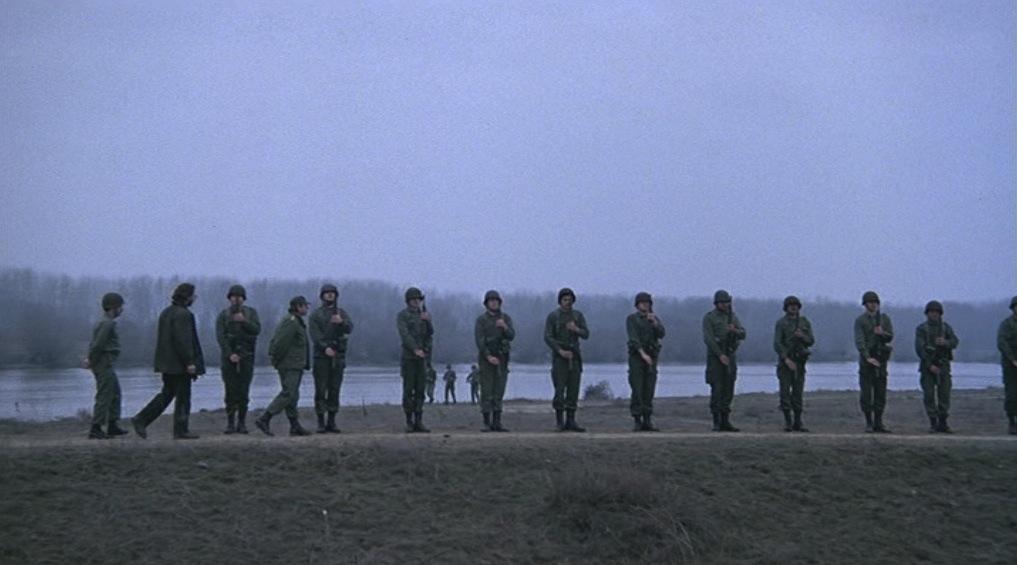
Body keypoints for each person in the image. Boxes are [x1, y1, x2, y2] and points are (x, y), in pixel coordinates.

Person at [132, 283, 205, 440]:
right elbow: (183, 341)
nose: (195, 298)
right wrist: (189, 362)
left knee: (167, 394)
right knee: (183, 397)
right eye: (193, 295)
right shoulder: (183, 315)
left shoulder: (166, 312)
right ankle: (181, 430)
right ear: (187, 297)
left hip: (167, 363)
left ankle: (142, 419)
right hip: (179, 365)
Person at [255, 296, 312, 437]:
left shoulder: (296, 321)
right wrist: (276, 360)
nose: (307, 308)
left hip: (295, 364)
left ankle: (294, 425)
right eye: (305, 305)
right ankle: (265, 418)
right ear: (298, 307)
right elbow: (280, 342)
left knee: (293, 395)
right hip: (289, 364)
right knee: (288, 393)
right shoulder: (291, 322)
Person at [214, 284, 261, 435]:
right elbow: (220, 337)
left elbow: (257, 330)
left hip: (247, 356)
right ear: (229, 298)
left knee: (244, 391)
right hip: (229, 358)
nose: (236, 299)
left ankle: (242, 422)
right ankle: (230, 423)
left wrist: (244, 321)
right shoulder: (223, 315)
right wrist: (230, 354)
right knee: (230, 390)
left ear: (243, 298)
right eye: (234, 297)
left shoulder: (251, 313)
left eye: (239, 297)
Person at [309, 283, 354, 434]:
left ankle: (332, 420)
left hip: (338, 356)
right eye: (327, 293)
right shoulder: (316, 315)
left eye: (332, 293)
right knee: (321, 389)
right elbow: (315, 334)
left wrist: (341, 322)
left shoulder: (341, 313)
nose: (330, 295)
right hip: (321, 357)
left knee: (335, 389)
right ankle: (321, 421)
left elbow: (350, 328)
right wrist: (324, 347)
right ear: (322, 296)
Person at [544, 287, 591, 432]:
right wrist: (560, 351)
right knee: (559, 389)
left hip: (574, 356)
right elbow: (548, 337)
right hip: (560, 358)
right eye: (565, 300)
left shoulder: (577, 316)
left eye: (570, 300)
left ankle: (571, 420)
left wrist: (576, 329)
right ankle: (560, 421)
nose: (567, 302)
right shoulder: (553, 316)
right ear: (560, 301)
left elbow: (586, 334)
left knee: (573, 389)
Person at [83, 292, 128, 439]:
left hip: (106, 363)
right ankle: (96, 428)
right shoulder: (107, 324)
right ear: (113, 307)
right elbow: (98, 344)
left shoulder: (104, 322)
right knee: (104, 395)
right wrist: (91, 359)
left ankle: (112, 425)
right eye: (120, 306)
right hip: (103, 363)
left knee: (115, 393)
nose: (122, 309)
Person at [702, 290, 746, 432]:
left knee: (728, 388)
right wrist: (720, 354)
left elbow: (743, 333)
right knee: (717, 389)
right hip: (715, 358)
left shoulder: (733, 317)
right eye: (722, 302)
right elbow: (708, 339)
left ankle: (725, 420)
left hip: (730, 355)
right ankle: (717, 421)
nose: (725, 305)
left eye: (726, 302)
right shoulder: (710, 318)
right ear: (716, 303)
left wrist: (734, 331)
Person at [915, 300, 959, 433]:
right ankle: (933, 422)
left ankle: (943, 421)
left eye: (936, 312)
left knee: (944, 394)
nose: (934, 314)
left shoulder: (945, 328)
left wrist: (945, 342)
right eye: (931, 312)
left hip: (943, 365)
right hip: (927, 365)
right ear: (927, 313)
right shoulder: (922, 329)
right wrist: (929, 365)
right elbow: (920, 348)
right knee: (929, 394)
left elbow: (955, 341)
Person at [475, 290, 516, 432]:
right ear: (486, 303)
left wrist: (504, 327)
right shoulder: (482, 320)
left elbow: (511, 336)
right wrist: (488, 356)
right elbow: (480, 340)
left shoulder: (505, 318)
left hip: (502, 359)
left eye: (496, 301)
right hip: (486, 359)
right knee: (487, 391)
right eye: (491, 301)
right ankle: (487, 422)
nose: (494, 303)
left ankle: (497, 421)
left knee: (499, 390)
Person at [773, 295, 815, 432]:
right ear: (786, 308)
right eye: (790, 305)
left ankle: (798, 421)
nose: (793, 307)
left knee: (798, 392)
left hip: (800, 362)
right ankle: (788, 421)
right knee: (785, 392)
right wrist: (786, 359)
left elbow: (811, 340)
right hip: (786, 362)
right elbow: (777, 343)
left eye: (795, 305)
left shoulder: (804, 322)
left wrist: (802, 336)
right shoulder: (781, 323)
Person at [854, 290, 894, 433]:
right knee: (866, 394)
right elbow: (860, 341)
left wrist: (882, 333)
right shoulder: (861, 321)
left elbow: (890, 336)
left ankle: (879, 421)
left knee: (880, 393)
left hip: (881, 361)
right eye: (870, 302)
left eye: (875, 302)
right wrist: (867, 357)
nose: (873, 305)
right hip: (867, 362)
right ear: (865, 304)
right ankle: (869, 422)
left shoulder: (884, 319)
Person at [396, 287, 434, 432]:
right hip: (409, 357)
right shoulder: (403, 316)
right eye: (414, 299)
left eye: (418, 299)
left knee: (420, 389)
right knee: (408, 390)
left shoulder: (424, 315)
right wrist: (415, 349)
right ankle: (409, 420)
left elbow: (430, 334)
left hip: (422, 358)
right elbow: (405, 335)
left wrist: (428, 321)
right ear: (408, 301)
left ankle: (419, 420)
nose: (416, 301)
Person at [627, 292, 665, 432]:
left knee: (649, 388)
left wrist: (655, 323)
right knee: (637, 388)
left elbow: (662, 334)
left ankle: (647, 419)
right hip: (637, 357)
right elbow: (633, 339)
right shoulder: (632, 319)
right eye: (642, 303)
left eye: (647, 302)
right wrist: (643, 354)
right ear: (637, 305)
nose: (645, 305)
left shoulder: (653, 318)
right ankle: (637, 419)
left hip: (652, 357)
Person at [996, 295, 1017, 435]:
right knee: (1011, 395)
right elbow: (1002, 343)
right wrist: (1013, 359)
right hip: (1010, 365)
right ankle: (1012, 422)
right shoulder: (1006, 324)